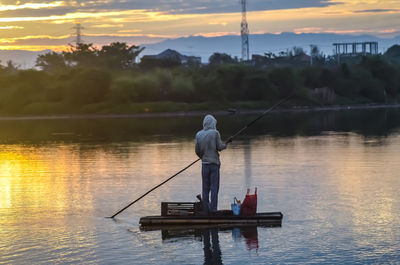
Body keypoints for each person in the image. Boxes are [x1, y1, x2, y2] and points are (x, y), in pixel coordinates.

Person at [195, 115, 231, 214]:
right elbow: (219, 147)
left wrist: (202, 157)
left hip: (204, 165)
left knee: (205, 188)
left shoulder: (198, 134)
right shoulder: (215, 133)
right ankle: (213, 210)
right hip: (214, 165)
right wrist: (226, 143)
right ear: (212, 123)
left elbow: (197, 151)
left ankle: (206, 211)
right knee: (214, 188)